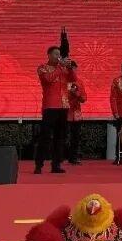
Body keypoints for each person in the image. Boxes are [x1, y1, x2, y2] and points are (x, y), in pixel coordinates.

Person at [35, 46, 76, 174]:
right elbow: (48, 79)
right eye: (55, 54)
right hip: (50, 106)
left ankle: (56, 164)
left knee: (60, 137)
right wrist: (60, 67)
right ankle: (39, 164)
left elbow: (73, 79)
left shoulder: (63, 69)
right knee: (45, 137)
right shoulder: (42, 68)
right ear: (49, 55)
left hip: (63, 106)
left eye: (59, 54)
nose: (58, 56)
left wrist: (70, 68)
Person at [66, 71, 86, 165]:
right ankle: (60, 157)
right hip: (65, 112)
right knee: (63, 136)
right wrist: (69, 92)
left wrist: (76, 93)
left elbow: (84, 98)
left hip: (76, 113)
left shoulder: (79, 82)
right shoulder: (62, 81)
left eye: (74, 70)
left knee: (76, 137)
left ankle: (74, 157)